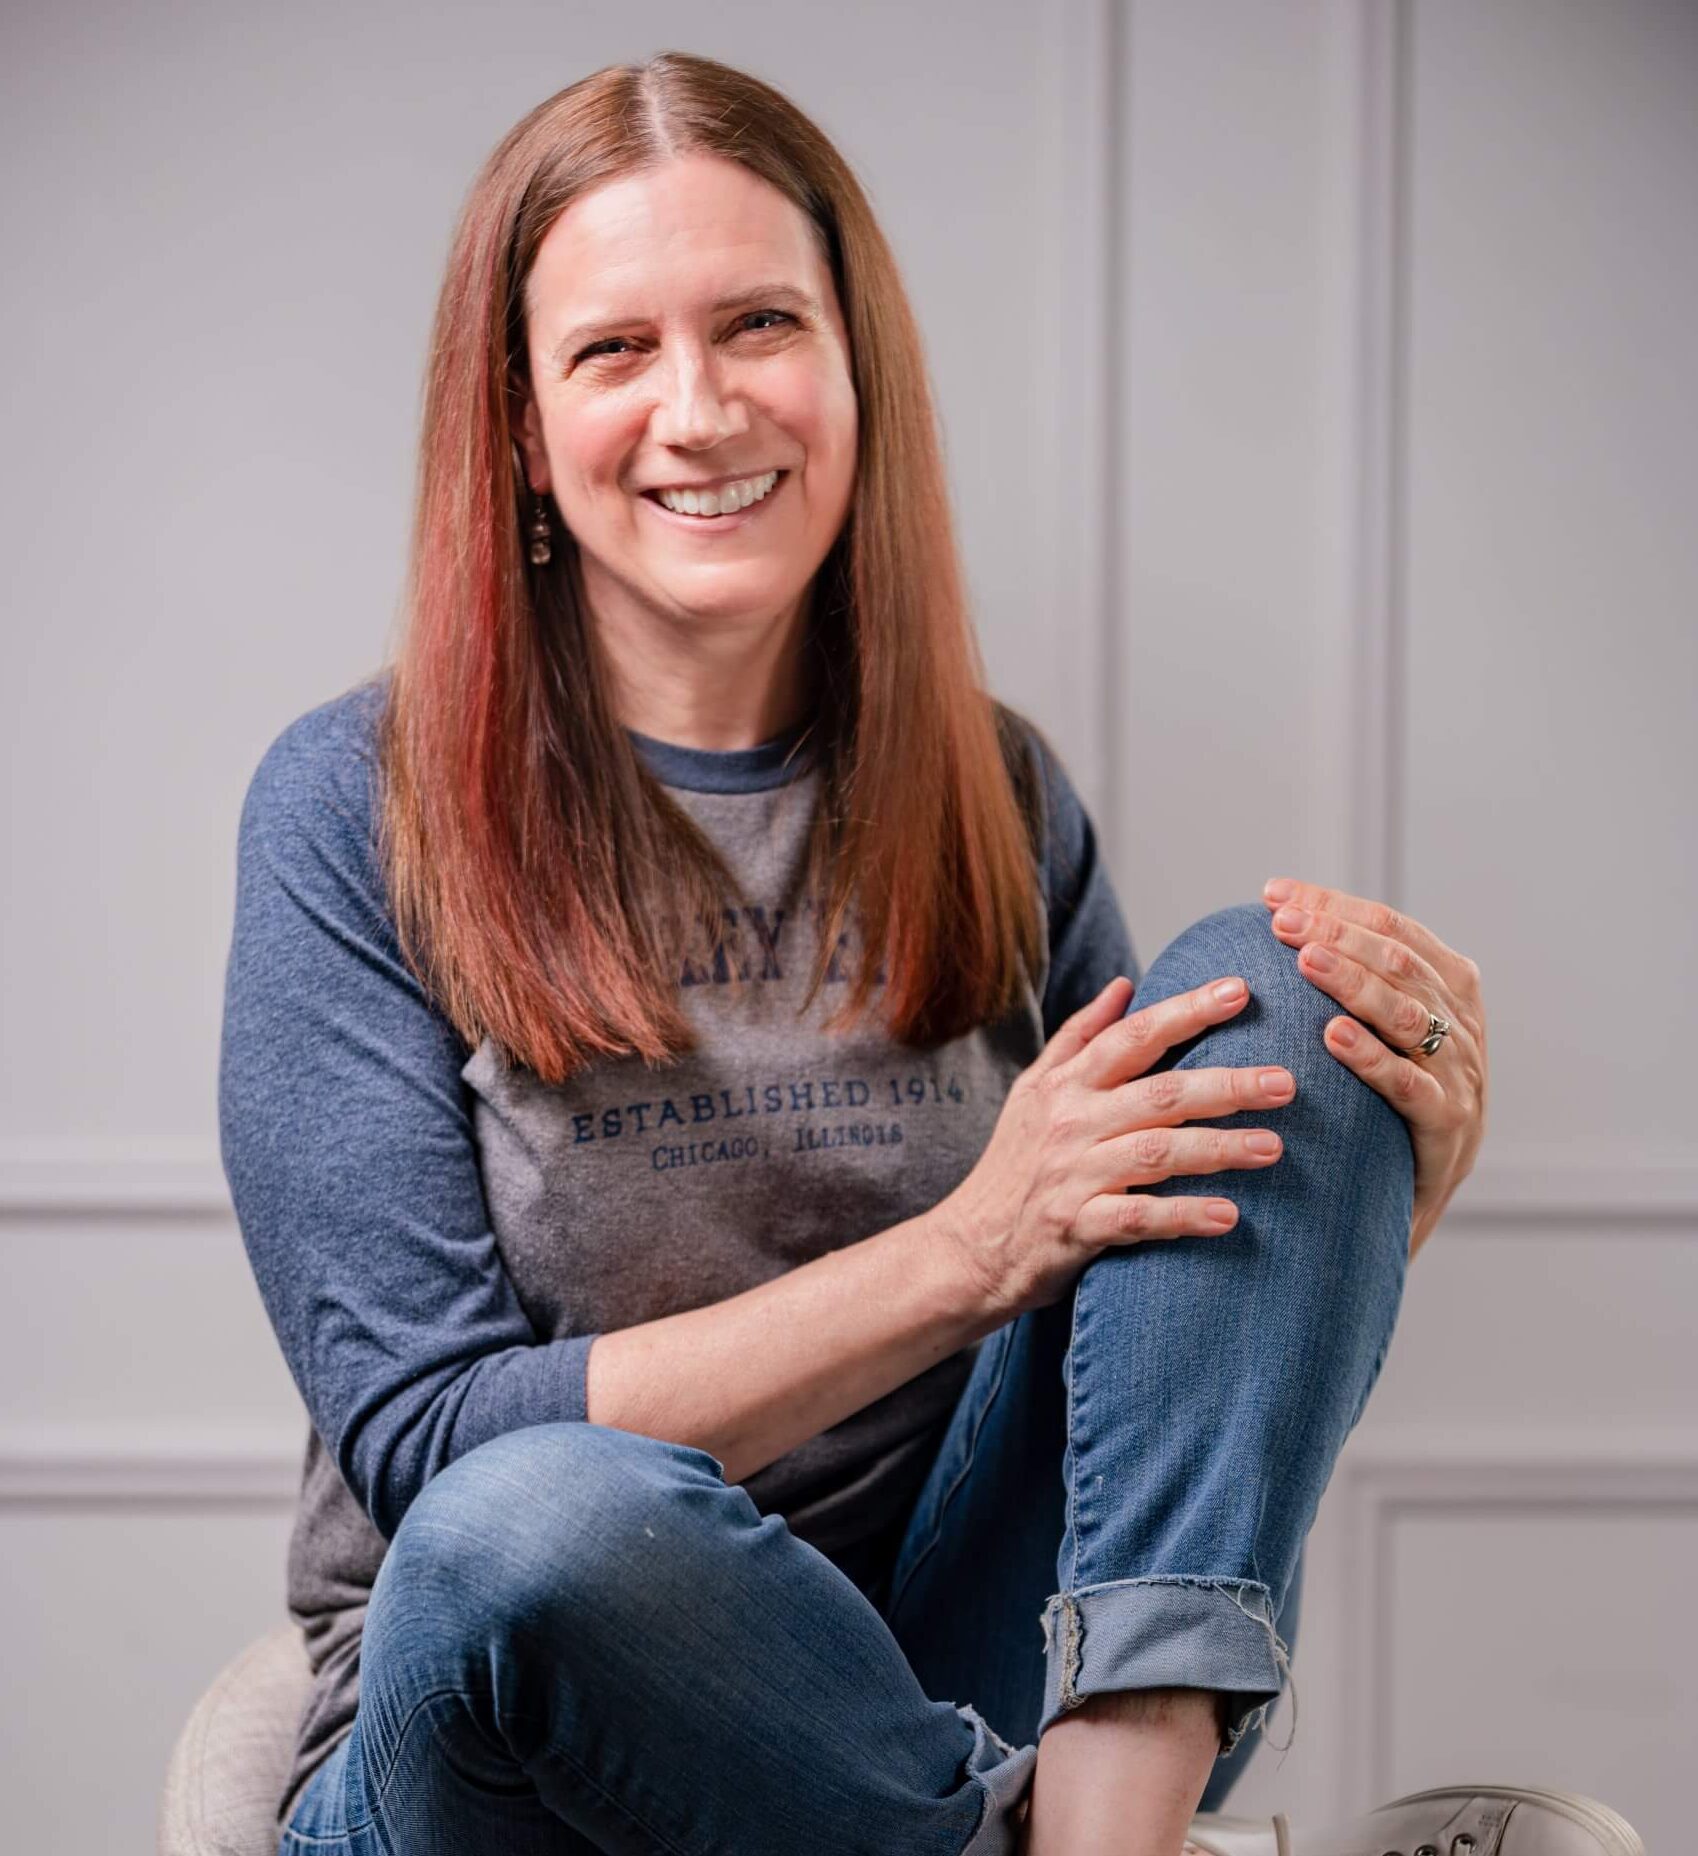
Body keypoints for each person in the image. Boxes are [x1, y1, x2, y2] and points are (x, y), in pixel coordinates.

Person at [220, 48, 1625, 1856]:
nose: (704, 409)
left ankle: (1097, 1839)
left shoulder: (990, 786)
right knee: (536, 1516)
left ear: (854, 367)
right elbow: (429, 1444)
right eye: (614, 349)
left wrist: (1362, 1177)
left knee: (1275, 994)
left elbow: (1123, 1280)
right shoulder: (356, 808)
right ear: (517, 424)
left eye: (757, 325)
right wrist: (970, 1249)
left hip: (938, 1668)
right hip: (517, 1743)